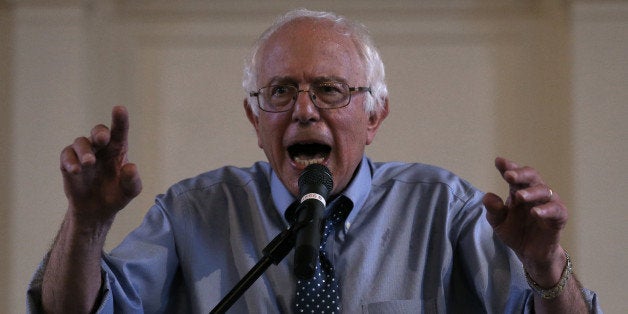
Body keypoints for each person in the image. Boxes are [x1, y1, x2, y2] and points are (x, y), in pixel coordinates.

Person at [28, 9, 601, 313]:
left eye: (329, 90)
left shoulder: (442, 209)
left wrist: (545, 265)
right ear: (255, 120)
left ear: (374, 117)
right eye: (280, 92)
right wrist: (86, 225)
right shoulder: (193, 213)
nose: (304, 111)